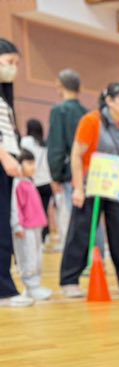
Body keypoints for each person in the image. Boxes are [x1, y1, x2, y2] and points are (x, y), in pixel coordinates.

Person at [59, 82, 119, 298]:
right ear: (109, 100)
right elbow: (76, 155)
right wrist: (78, 188)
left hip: (118, 187)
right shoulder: (91, 121)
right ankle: (69, 280)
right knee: (81, 231)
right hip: (91, 184)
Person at [0, 39, 33, 308]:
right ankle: (4, 291)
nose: (14, 69)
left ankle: (5, 287)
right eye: (9, 62)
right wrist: (4, 157)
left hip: (7, 165)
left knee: (4, 226)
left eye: (17, 64)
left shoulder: (5, 96)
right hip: (3, 162)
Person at [47, 68, 86, 253]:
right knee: (88, 219)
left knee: (71, 219)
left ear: (60, 85)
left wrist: (55, 175)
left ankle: (76, 258)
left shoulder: (59, 111)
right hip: (88, 172)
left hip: (69, 173)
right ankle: (94, 257)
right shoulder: (87, 113)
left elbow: (56, 146)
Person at [10, 149, 52, 300]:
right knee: (28, 257)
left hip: (36, 226)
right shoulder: (17, 184)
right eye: (29, 163)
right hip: (25, 228)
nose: (33, 167)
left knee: (37, 257)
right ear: (19, 164)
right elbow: (15, 207)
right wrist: (17, 225)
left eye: (34, 163)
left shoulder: (29, 182)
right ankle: (31, 286)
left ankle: (35, 285)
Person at [20, 119, 52, 243]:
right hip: (46, 182)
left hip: (33, 183)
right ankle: (45, 237)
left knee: (31, 212)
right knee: (43, 211)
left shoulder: (25, 141)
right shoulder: (45, 144)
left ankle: (35, 238)